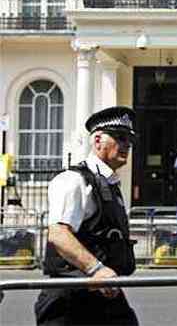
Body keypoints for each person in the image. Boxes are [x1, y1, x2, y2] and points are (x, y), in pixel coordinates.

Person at [35, 106, 139, 325]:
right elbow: (59, 234)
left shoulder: (109, 184)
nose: (127, 145)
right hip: (71, 299)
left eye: (129, 140)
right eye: (120, 137)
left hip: (105, 293)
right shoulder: (74, 180)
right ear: (98, 140)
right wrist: (97, 269)